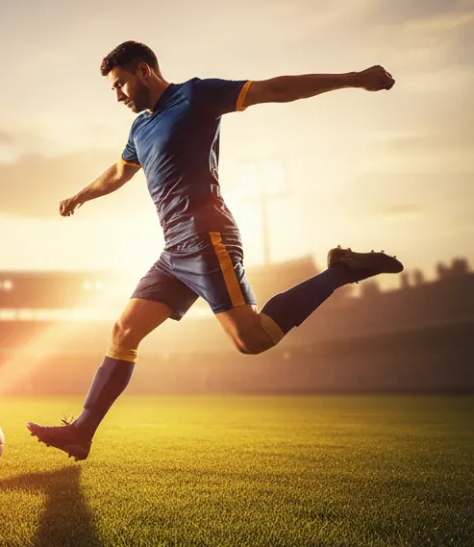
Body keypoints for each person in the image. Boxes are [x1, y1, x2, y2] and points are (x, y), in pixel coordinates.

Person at [26, 41, 403, 460]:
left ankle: (341, 270)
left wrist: (353, 79)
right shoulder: (140, 128)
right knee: (123, 331)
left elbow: (274, 89)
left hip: (208, 237)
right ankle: (82, 432)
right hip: (173, 251)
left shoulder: (196, 96)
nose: (116, 95)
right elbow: (118, 172)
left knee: (252, 340)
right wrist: (79, 196)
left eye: (120, 85)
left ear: (144, 71)